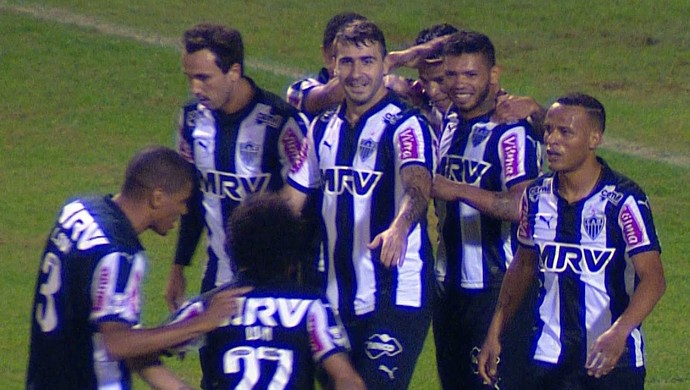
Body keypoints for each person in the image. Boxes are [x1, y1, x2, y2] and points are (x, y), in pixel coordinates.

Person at [282, 20, 435, 389]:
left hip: (396, 292)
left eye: (367, 61)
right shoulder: (321, 129)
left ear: (385, 65)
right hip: (333, 297)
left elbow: (417, 186)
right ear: (334, 68)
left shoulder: (405, 125)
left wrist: (398, 227)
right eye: (347, 62)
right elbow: (291, 201)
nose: (357, 73)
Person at [478, 93, 666, 390]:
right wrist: (496, 330)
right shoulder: (537, 197)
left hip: (613, 361)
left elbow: (653, 278)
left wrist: (620, 333)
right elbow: (523, 265)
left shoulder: (623, 201)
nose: (552, 140)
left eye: (565, 132)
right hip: (547, 358)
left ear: (594, 139)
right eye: (549, 129)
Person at [26, 146, 251, 390]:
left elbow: (106, 327)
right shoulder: (119, 255)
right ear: (157, 197)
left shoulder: (78, 211)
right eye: (182, 201)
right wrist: (200, 323)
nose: (184, 210)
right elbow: (118, 343)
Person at [165, 22, 309, 387]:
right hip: (217, 283)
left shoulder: (280, 123)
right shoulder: (192, 120)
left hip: (275, 288)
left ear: (234, 71)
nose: (195, 88)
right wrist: (179, 264)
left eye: (204, 77)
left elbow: (303, 205)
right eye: (189, 78)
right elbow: (194, 197)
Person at [430, 31, 543, 389]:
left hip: (496, 289)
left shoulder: (510, 133)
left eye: (470, 74)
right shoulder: (449, 122)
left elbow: (522, 205)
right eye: (451, 75)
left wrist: (454, 189)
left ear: (494, 75)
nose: (459, 84)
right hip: (448, 288)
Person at [198, 193, 365, 390]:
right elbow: (347, 380)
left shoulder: (210, 306)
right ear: (291, 254)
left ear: (233, 250)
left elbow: (151, 346)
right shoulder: (311, 306)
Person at [286, 12, 368, 118]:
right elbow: (331, 94)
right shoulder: (299, 90)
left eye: (365, 60)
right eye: (346, 59)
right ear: (326, 55)